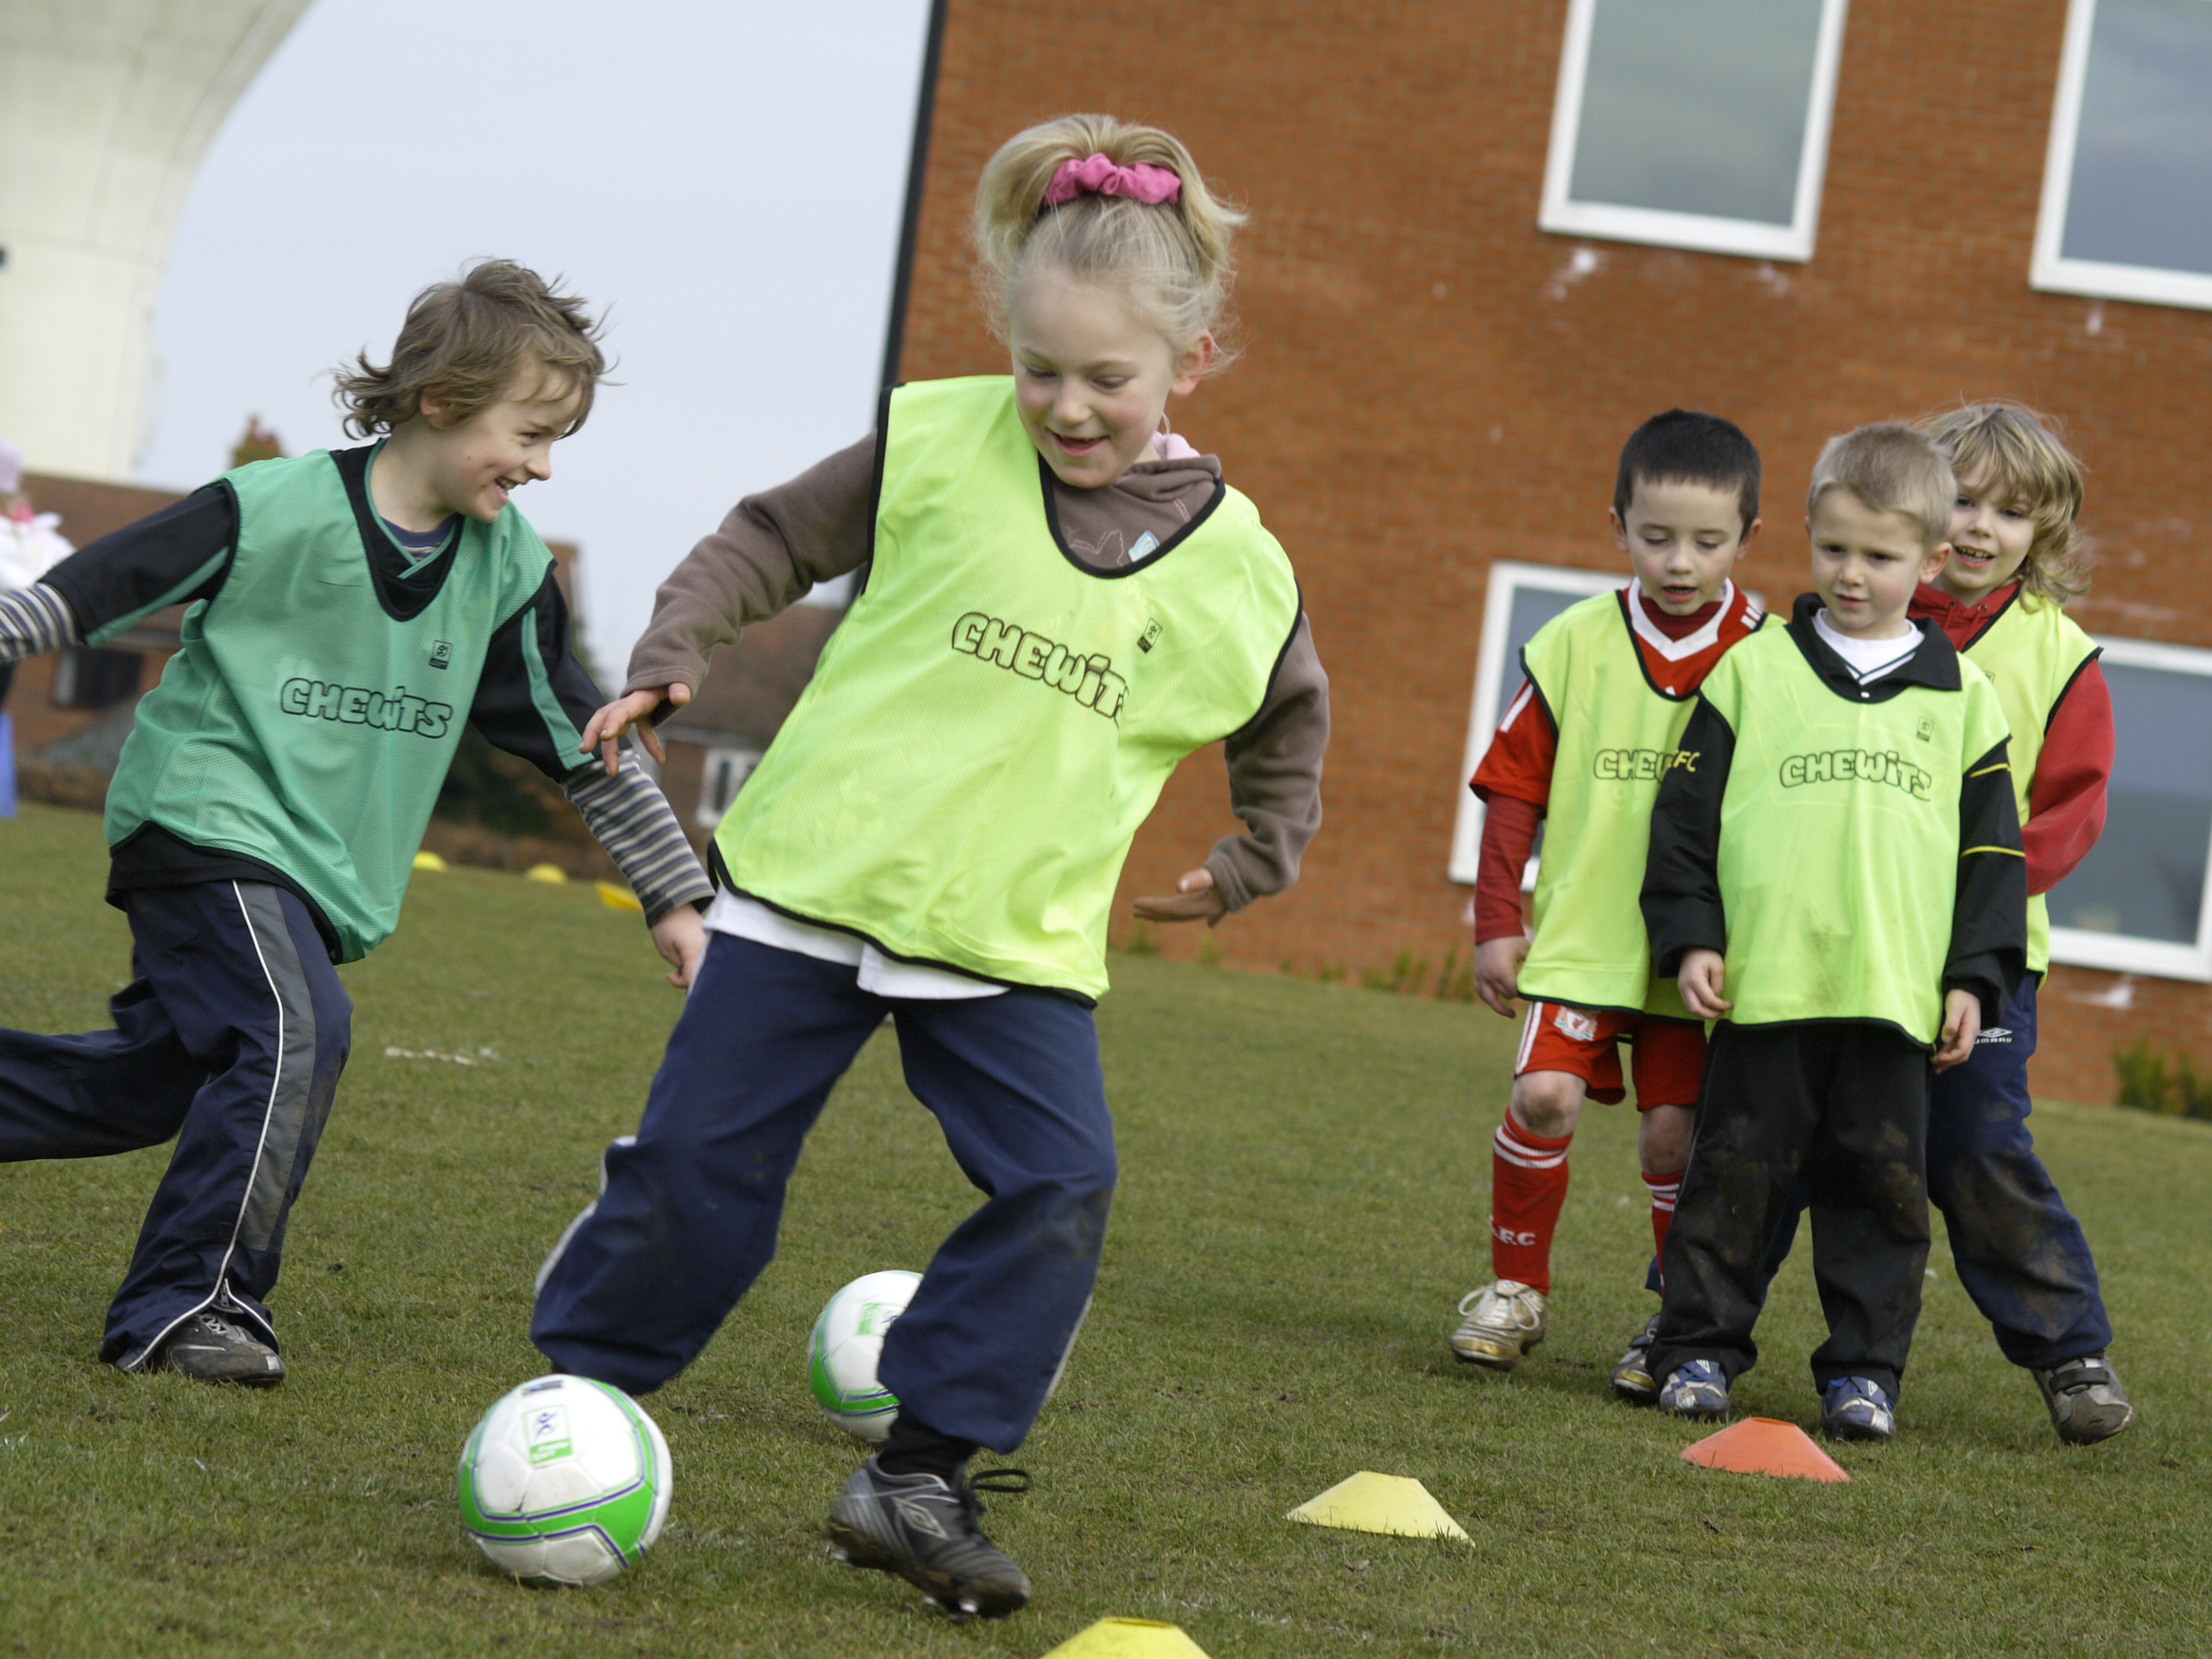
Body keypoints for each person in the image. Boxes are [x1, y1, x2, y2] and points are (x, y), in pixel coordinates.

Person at [530, 114, 1328, 1621]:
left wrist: (1253, 856)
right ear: (1006, 341)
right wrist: (671, 653)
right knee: (705, 1175)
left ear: (1192, 364)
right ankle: (582, 1404)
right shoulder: (934, 437)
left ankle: (919, 1475)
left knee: (1061, 1180)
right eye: (1042, 370)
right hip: (810, 889)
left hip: (1011, 942)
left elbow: (1289, 711)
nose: (1067, 406)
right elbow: (768, 536)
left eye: (1108, 380)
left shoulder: (1244, 566)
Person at [0, 261, 711, 1387]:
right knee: (294, 1032)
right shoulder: (276, 507)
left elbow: (585, 736)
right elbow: (110, 577)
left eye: (556, 438)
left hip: (317, 874)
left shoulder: (507, 571)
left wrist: (675, 895)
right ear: (439, 400)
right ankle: (191, 1306)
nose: (542, 464)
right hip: (205, 820)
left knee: (155, 1083)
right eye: (528, 431)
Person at [1640, 423, 2027, 1442]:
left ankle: (1863, 1374)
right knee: (1734, 1179)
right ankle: (1695, 1354)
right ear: (1808, 536)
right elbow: (1682, 825)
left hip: (1894, 1000)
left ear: (1932, 562)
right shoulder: (1749, 674)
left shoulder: (1965, 700)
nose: (1853, 575)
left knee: (1882, 1199)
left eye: (1882, 557)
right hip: (1767, 989)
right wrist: (1692, 938)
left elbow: (1993, 862)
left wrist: (1974, 980)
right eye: (1835, 550)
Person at [1757, 404, 2132, 1443]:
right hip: (1839, 941)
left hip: (1987, 960)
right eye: (1962, 500)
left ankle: (2070, 1357)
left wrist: (1975, 921)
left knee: (1975, 1148)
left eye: (2011, 513)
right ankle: (1688, 1328)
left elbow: (2069, 811)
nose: (1979, 528)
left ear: (2043, 533)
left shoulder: (2061, 654)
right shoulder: (1857, 619)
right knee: (1776, 1134)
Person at [1450, 412, 1767, 1401]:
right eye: (1656, 536)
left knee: (1674, 1137)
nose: (1680, 561)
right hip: (1584, 937)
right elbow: (1514, 791)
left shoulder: (1773, 656)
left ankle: (1675, 1322)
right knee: (1542, 1096)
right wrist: (1497, 919)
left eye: (1708, 542)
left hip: (1700, 954)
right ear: (1618, 525)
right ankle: (1516, 1289)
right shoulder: (1573, 643)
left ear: (1749, 540)